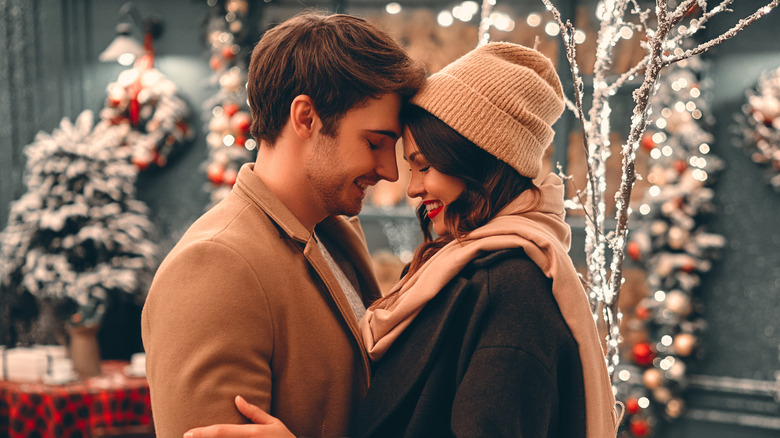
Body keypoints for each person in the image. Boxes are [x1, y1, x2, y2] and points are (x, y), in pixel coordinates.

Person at [185, 42, 619, 438]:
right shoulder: (462, 268)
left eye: (424, 165)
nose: (408, 186)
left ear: (480, 163)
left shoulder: (510, 289)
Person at [141, 11, 425, 438]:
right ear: (306, 118)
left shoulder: (334, 236)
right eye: (374, 143)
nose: (389, 171)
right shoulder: (216, 265)